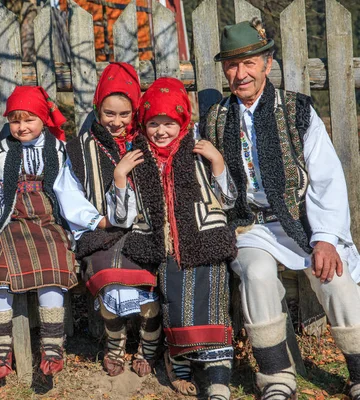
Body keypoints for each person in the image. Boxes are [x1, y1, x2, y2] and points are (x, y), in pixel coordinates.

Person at [200, 18, 360, 400]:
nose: (241, 74)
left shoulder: (297, 111)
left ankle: (358, 374)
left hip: (302, 221)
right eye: (233, 66)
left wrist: (324, 238)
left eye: (249, 64)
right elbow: (217, 191)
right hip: (248, 225)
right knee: (255, 273)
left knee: (334, 276)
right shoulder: (216, 118)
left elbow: (326, 180)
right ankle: (276, 377)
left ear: (267, 63)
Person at [0, 86, 109, 379]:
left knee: (54, 260)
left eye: (29, 120)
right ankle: (0, 346)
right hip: (8, 219)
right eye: (15, 120)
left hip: (47, 218)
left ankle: (52, 344)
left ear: (44, 120)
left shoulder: (58, 150)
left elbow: (67, 189)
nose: (21, 127)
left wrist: (91, 219)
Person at [129, 77, 238, 399]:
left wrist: (217, 163)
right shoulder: (139, 159)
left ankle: (218, 379)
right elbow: (125, 212)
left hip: (206, 242)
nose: (161, 131)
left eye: (169, 124)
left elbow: (229, 200)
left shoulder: (199, 151)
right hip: (166, 248)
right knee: (176, 307)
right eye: (153, 124)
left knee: (214, 308)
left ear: (182, 122)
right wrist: (121, 176)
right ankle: (178, 364)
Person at [66, 62, 161, 377]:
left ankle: (148, 347)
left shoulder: (147, 141)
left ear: (135, 111)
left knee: (148, 290)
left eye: (124, 114)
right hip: (103, 231)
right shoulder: (82, 148)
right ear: (97, 108)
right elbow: (68, 193)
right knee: (110, 282)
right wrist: (98, 221)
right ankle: (115, 345)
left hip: (145, 230)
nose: (116, 122)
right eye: (109, 113)